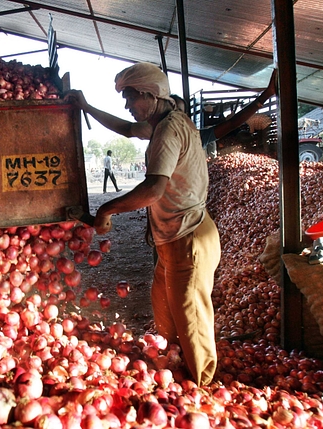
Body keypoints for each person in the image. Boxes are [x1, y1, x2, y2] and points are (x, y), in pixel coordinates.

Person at [65, 63, 221, 386]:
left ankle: (202, 393)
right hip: (173, 243)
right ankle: (175, 371)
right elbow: (125, 129)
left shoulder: (168, 130)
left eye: (130, 97)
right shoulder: (162, 121)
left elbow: (154, 189)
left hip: (188, 240)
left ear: (150, 95)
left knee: (191, 323)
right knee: (165, 314)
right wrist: (86, 107)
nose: (127, 106)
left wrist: (106, 208)